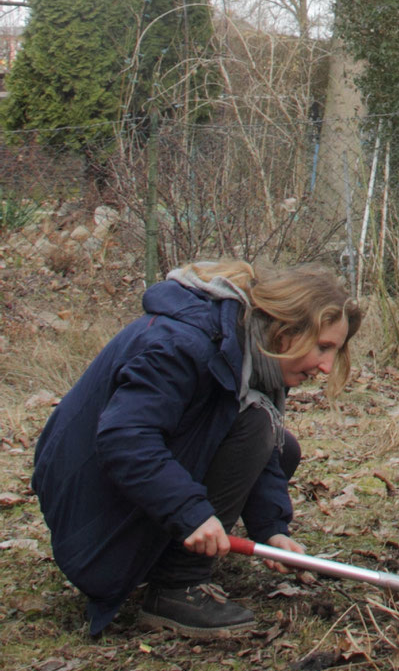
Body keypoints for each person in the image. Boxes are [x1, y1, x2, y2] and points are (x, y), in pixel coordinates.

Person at [33, 259, 362, 637]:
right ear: (285, 328)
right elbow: (125, 438)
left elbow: (260, 445)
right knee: (256, 425)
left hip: (113, 496)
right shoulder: (181, 342)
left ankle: (170, 557)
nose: (325, 366)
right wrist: (189, 512)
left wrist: (272, 529)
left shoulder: (255, 352)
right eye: (323, 347)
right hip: (91, 520)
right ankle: (177, 585)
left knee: (278, 443)